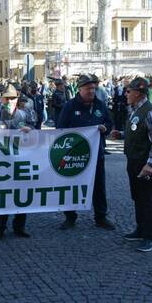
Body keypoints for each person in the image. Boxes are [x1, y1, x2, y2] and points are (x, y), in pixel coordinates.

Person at [110, 77, 152, 252]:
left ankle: (151, 237)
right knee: (138, 196)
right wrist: (121, 134)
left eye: (129, 91)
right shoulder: (135, 110)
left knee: (147, 199)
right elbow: (138, 133)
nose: (126, 94)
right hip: (133, 161)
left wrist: (150, 164)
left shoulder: (150, 111)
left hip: (144, 163)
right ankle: (141, 230)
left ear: (138, 93)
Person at [57, 74, 115, 231]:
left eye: (94, 88)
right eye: (88, 88)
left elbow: (109, 123)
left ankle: (101, 217)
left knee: (99, 186)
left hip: (96, 153)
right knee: (72, 185)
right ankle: (70, 217)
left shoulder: (100, 105)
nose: (92, 91)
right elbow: (60, 128)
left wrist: (105, 129)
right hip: (74, 155)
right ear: (80, 89)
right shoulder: (70, 106)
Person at [0, 85, 33, 241]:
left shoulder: (24, 114)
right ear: (1, 98)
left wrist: (30, 130)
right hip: (1, 161)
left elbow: (36, 134)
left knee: (21, 194)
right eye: (7, 98)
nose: (10, 101)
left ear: (17, 99)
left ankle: (20, 226)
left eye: (12, 98)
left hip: (21, 161)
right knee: (3, 195)